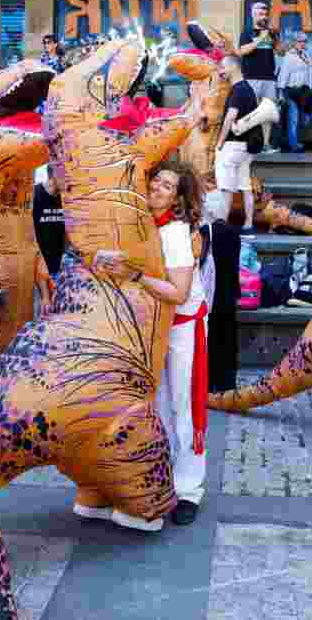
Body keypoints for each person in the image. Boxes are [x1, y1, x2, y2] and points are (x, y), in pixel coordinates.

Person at [108, 162, 208, 527]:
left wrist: (133, 275)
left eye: (168, 186)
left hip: (181, 325)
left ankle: (189, 490)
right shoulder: (147, 223)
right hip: (153, 326)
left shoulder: (177, 233)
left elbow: (180, 294)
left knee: (183, 409)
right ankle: (162, 479)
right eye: (157, 181)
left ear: (178, 198)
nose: (158, 188)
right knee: (159, 405)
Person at [214, 54, 263, 235]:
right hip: (245, 147)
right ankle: (248, 225)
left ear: (234, 67)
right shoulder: (248, 89)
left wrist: (220, 143)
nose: (221, 71)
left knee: (226, 188)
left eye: (223, 67)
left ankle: (221, 228)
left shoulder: (238, 90)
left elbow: (230, 116)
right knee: (245, 186)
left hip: (232, 146)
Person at [202, 190, 241, 394]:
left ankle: (208, 381)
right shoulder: (233, 233)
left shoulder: (203, 232)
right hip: (227, 293)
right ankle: (227, 383)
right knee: (227, 339)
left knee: (209, 338)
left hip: (208, 293)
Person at [237, 2, 280, 155]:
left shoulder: (270, 32)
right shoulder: (247, 31)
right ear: (253, 15)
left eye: (265, 14)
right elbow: (241, 51)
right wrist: (259, 39)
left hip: (269, 78)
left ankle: (266, 145)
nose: (264, 17)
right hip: (251, 78)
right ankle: (247, 144)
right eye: (261, 14)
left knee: (267, 113)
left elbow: (280, 52)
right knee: (250, 111)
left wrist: (275, 37)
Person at [277, 32, 312, 153]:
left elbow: (309, 73)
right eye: (299, 41)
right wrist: (281, 93)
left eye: (304, 41)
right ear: (294, 42)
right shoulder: (289, 56)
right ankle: (293, 144)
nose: (302, 43)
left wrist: (310, 88)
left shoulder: (306, 55)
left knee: (302, 118)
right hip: (291, 90)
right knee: (293, 118)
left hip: (304, 91)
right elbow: (283, 74)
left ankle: (296, 142)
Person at [33, 164, 66, 279]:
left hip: (62, 267)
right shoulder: (34, 195)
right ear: (55, 175)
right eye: (66, 175)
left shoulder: (66, 198)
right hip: (38, 268)